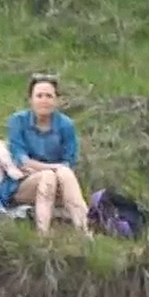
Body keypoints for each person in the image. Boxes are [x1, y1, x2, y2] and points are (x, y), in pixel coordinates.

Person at [7, 74, 91, 235]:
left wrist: (55, 168)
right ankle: (43, 234)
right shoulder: (18, 121)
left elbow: (69, 161)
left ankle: (84, 230)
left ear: (56, 101)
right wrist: (54, 167)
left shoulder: (66, 125)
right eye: (39, 96)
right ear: (30, 100)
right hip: (23, 184)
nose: (44, 100)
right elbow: (21, 160)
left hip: (60, 182)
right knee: (48, 176)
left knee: (63, 174)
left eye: (49, 96)